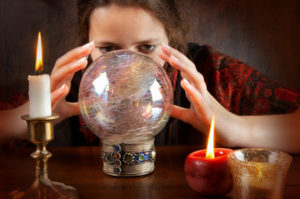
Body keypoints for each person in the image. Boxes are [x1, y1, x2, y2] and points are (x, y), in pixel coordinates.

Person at [1, 0, 299, 153]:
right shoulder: (68, 86)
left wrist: (231, 127)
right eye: (108, 48)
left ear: (172, 39)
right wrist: (31, 115)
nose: (129, 66)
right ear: (86, 43)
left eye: (146, 47)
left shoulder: (212, 75)